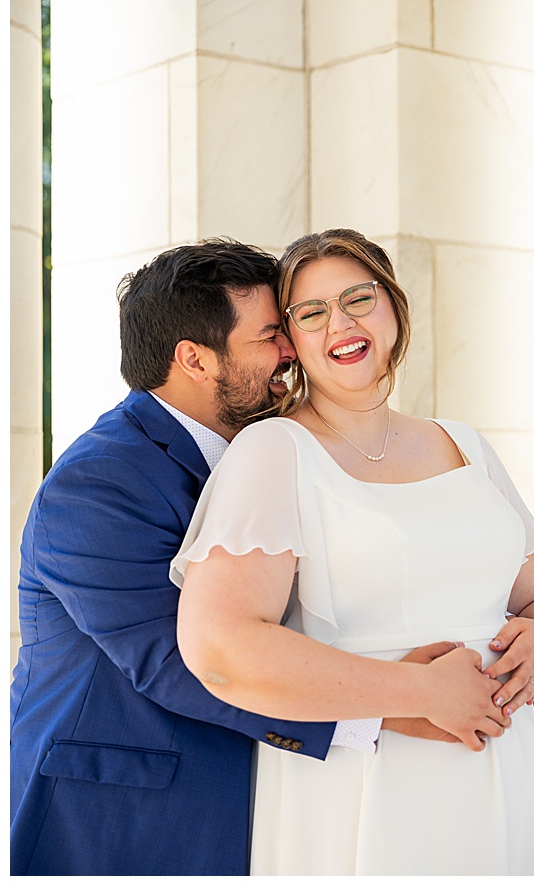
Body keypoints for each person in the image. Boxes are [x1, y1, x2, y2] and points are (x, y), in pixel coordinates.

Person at [172, 228, 534, 875]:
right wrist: (418, 691)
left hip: (505, 767)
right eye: (311, 312)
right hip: (366, 783)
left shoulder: (465, 443)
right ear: (293, 343)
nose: (340, 322)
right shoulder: (275, 450)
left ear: (393, 307)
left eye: (358, 297)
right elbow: (219, 648)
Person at [10, 240, 419, 875]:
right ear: (195, 360)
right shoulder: (96, 483)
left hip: (266, 800)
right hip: (119, 819)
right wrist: (395, 710)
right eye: (269, 337)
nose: (291, 352)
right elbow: (176, 662)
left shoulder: (275, 453)